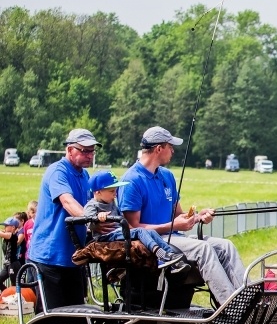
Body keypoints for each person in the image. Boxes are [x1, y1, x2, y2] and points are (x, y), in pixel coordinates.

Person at [119, 126, 246, 303]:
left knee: (226, 246)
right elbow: (133, 227)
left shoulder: (167, 176)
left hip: (174, 237)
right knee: (204, 249)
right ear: (158, 149)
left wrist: (197, 216)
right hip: (152, 242)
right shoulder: (131, 181)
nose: (173, 151)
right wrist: (173, 226)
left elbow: (179, 215)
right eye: (170, 146)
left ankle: (246, 300)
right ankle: (231, 306)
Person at [27, 129, 105, 310]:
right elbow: (68, 202)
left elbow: (90, 205)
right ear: (70, 150)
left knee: (75, 318)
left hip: (73, 258)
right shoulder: (57, 171)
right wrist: (92, 219)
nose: (89, 155)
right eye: (84, 151)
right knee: (52, 320)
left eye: (92, 151)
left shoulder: (84, 175)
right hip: (50, 258)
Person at [84, 170, 189, 273]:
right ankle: (160, 254)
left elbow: (121, 218)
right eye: (112, 191)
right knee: (140, 231)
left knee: (151, 232)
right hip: (105, 237)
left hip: (118, 232)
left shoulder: (112, 203)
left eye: (116, 190)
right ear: (98, 192)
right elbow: (88, 222)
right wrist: (97, 218)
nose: (115, 194)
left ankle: (171, 255)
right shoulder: (92, 205)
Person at [0, 217, 22, 288]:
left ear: (13, 227)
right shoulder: (7, 234)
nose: (5, 227)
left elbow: (3, 234)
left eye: (6, 226)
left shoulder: (12, 236)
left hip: (13, 264)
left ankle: (17, 298)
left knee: (15, 285)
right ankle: (6, 294)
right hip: (7, 264)